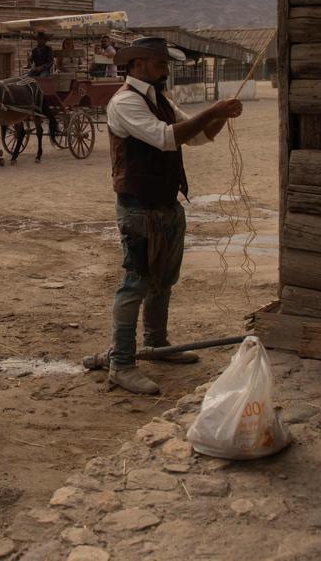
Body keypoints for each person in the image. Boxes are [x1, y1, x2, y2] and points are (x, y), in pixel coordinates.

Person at [87, 37, 242, 395]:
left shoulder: (160, 100)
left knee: (164, 279)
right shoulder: (126, 101)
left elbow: (199, 137)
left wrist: (220, 117)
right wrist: (215, 111)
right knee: (136, 282)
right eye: (161, 64)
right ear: (138, 64)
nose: (166, 70)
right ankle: (121, 364)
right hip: (138, 206)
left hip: (165, 203)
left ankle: (156, 345)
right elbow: (166, 138)